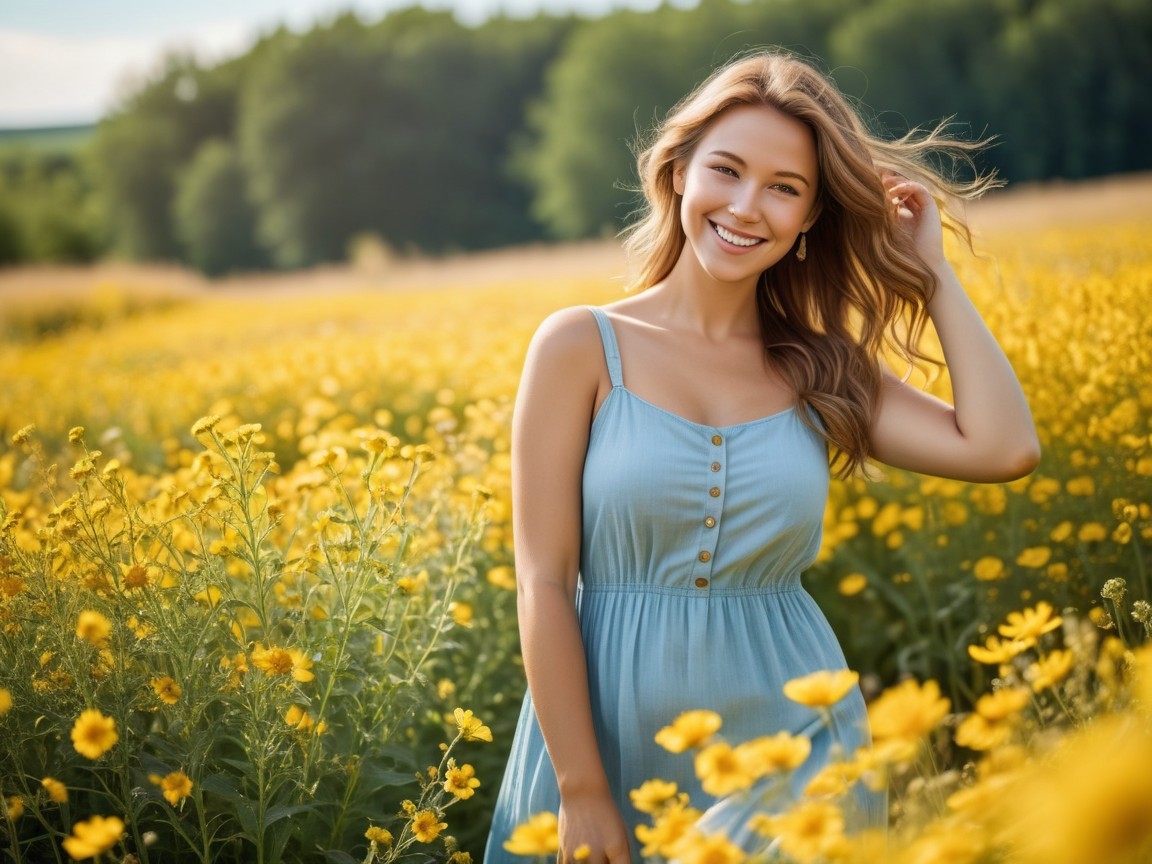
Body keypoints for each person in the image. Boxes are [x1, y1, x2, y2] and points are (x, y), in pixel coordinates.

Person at [484, 49, 1040, 864]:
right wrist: (582, 789)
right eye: (728, 170)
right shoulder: (580, 345)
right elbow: (541, 580)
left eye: (785, 188)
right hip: (601, 746)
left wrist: (933, 279)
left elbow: (1003, 446)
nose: (747, 207)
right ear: (678, 173)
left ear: (813, 216)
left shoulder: (820, 366)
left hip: (798, 750)